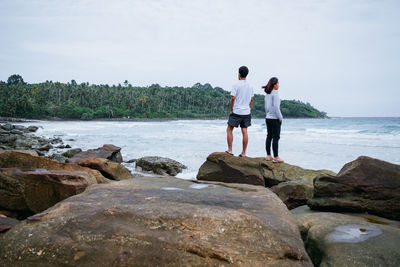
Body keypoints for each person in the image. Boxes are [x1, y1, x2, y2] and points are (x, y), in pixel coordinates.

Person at [226, 66, 254, 157]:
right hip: (246, 112)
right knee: (244, 131)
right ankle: (244, 153)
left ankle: (230, 150)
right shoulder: (250, 86)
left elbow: (233, 98)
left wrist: (231, 110)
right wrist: (249, 108)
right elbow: (252, 99)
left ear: (239, 74)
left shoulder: (236, 85)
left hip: (237, 111)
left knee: (229, 129)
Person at [263, 77, 284, 163]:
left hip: (268, 117)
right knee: (276, 137)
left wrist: (268, 114)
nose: (279, 85)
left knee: (269, 136)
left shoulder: (267, 94)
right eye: (278, 83)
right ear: (274, 85)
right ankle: (276, 156)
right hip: (274, 118)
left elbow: (266, 107)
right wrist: (280, 117)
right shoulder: (275, 93)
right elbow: (276, 107)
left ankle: (268, 155)